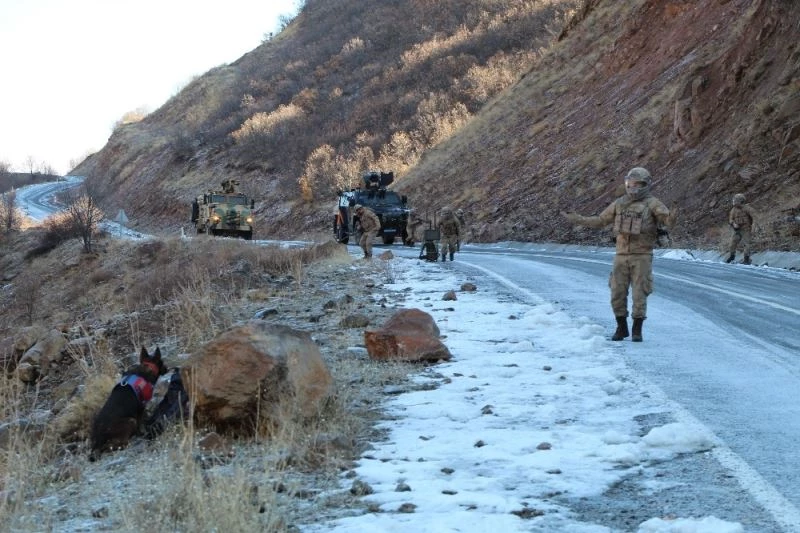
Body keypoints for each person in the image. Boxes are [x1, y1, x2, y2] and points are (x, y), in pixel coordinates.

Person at [563, 167, 676, 342]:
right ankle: (621, 327)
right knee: (617, 292)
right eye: (631, 184)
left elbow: (667, 220)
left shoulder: (652, 203)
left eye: (638, 184)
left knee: (640, 293)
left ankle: (637, 330)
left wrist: (673, 216)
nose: (634, 188)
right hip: (621, 255)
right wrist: (578, 218)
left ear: (645, 185)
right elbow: (601, 220)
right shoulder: (619, 203)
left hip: (642, 255)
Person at [725, 193, 756, 265]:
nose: (733, 201)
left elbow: (755, 218)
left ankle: (746, 258)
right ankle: (732, 256)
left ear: (740, 201)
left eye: (735, 200)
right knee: (732, 243)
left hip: (746, 229)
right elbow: (730, 219)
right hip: (737, 229)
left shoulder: (748, 209)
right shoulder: (733, 210)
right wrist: (733, 224)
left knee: (747, 244)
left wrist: (753, 227)